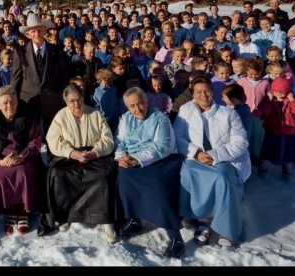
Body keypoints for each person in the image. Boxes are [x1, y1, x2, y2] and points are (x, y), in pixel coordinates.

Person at [173, 77, 250, 248]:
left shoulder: (228, 113)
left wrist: (215, 154)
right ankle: (202, 220)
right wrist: (196, 152)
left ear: (212, 91)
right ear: (193, 94)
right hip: (194, 158)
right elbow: (177, 136)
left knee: (222, 177)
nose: (203, 95)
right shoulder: (186, 110)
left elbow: (241, 141)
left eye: (206, 90)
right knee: (187, 172)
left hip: (222, 159)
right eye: (198, 92)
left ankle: (227, 228)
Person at [38, 84, 117, 243]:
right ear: (66, 102)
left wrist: (95, 152)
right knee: (59, 175)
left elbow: (108, 139)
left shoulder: (95, 113)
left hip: (94, 154)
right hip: (69, 155)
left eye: (79, 99)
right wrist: (72, 153)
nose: (76, 104)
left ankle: (105, 219)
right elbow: (53, 140)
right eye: (72, 100)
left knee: (103, 175)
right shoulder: (60, 116)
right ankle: (66, 216)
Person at [114, 87, 185, 258]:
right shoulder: (125, 118)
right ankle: (134, 219)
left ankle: (175, 236)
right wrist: (121, 156)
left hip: (161, 160)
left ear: (147, 102)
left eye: (140, 104)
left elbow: (161, 146)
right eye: (132, 106)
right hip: (133, 160)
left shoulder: (160, 119)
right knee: (123, 177)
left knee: (156, 186)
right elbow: (120, 140)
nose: (137, 109)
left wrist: (136, 159)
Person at [0, 85, 45, 236]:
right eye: (5, 103)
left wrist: (23, 156)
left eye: (12, 101)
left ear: (17, 102)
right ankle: (10, 211)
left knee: (24, 173)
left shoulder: (27, 117)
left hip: (24, 157)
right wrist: (0, 161)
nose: (9, 106)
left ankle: (23, 212)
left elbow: (36, 141)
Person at [11, 13, 70, 135]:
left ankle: (52, 155)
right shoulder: (20, 52)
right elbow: (16, 79)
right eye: (33, 31)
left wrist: (64, 98)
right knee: (31, 136)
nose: (37, 34)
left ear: (45, 31)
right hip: (29, 101)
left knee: (54, 135)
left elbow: (63, 78)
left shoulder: (56, 50)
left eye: (39, 30)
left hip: (52, 101)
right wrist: (13, 100)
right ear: (28, 34)